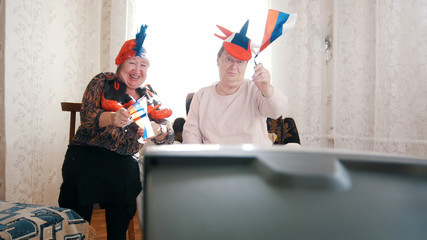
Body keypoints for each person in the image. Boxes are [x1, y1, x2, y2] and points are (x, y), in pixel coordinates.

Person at [58, 25, 174, 240]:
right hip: (87, 153)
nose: (137, 70)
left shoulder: (148, 95)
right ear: (121, 63)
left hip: (122, 160)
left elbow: (169, 135)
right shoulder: (102, 81)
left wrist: (158, 130)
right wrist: (112, 118)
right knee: (78, 180)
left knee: (128, 178)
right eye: (132, 62)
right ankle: (76, 236)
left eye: (143, 65)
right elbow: (88, 118)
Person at [182, 20, 287, 145]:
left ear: (246, 65)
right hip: (215, 161)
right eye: (228, 59)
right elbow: (191, 135)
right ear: (218, 60)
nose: (233, 66)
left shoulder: (255, 90)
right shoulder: (201, 96)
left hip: (253, 160)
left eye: (240, 62)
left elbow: (277, 111)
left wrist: (267, 89)